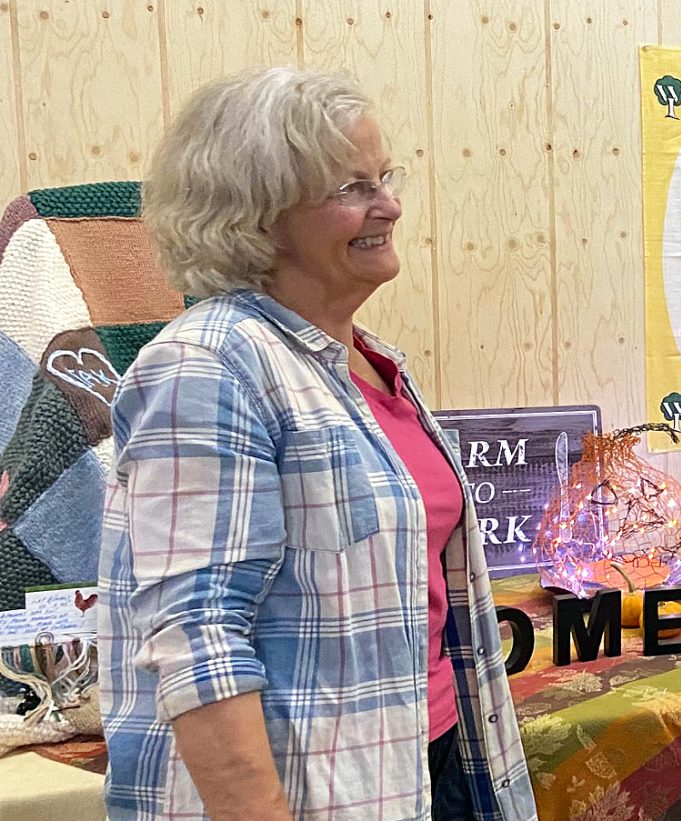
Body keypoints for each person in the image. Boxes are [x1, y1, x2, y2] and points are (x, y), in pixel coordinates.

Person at [97, 66, 538, 821]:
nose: (390, 206)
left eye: (385, 177)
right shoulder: (209, 364)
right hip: (309, 795)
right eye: (351, 188)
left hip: (431, 756)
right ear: (255, 216)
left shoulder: (368, 359)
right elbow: (199, 643)